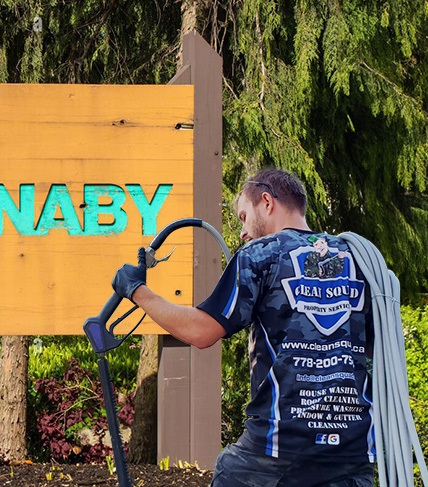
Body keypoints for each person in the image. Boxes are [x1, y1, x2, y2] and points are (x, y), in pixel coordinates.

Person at [113, 168, 375, 487]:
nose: (241, 232)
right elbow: (373, 346)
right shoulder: (360, 260)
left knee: (230, 471)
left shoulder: (262, 254)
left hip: (278, 447)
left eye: (242, 216)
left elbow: (201, 331)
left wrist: (138, 290)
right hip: (351, 449)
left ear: (266, 202)